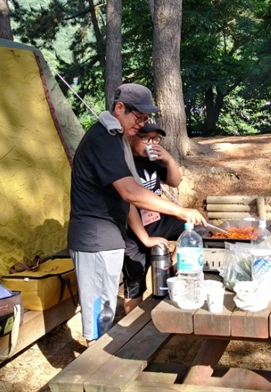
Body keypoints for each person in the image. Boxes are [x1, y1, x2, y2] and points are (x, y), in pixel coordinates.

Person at [67, 83, 206, 345]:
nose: (141, 124)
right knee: (99, 318)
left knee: (105, 310)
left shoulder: (114, 137)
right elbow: (131, 192)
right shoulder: (102, 139)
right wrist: (179, 210)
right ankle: (94, 372)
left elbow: (135, 193)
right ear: (119, 108)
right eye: (139, 117)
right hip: (94, 238)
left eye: (146, 118)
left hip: (108, 236)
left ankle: (100, 363)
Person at [122, 123, 187, 314]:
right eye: (146, 139)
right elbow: (128, 205)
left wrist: (168, 159)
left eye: (156, 139)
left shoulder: (153, 158)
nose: (152, 143)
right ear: (131, 137)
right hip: (133, 229)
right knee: (135, 280)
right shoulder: (124, 164)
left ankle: (174, 268)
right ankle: (132, 327)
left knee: (194, 228)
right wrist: (145, 239)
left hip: (157, 220)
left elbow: (175, 181)